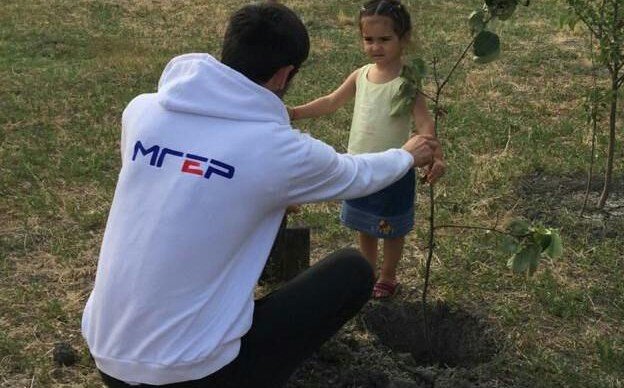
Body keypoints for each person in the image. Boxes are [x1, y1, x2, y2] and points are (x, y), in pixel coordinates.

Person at [80, 2, 439, 387]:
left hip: (107, 356)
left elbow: (190, 178)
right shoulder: (278, 151)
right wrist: (407, 156)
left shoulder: (143, 112)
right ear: (285, 74)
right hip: (195, 375)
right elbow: (356, 172)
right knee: (353, 271)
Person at [290, 0, 446, 299]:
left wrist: (434, 154)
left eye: (384, 39)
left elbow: (424, 122)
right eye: (369, 39)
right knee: (365, 223)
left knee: (392, 227)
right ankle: (367, 271)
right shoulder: (360, 75)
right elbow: (331, 101)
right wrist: (295, 112)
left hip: (395, 168)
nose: (376, 47)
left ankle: (388, 276)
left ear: (404, 38)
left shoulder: (407, 81)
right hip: (360, 167)